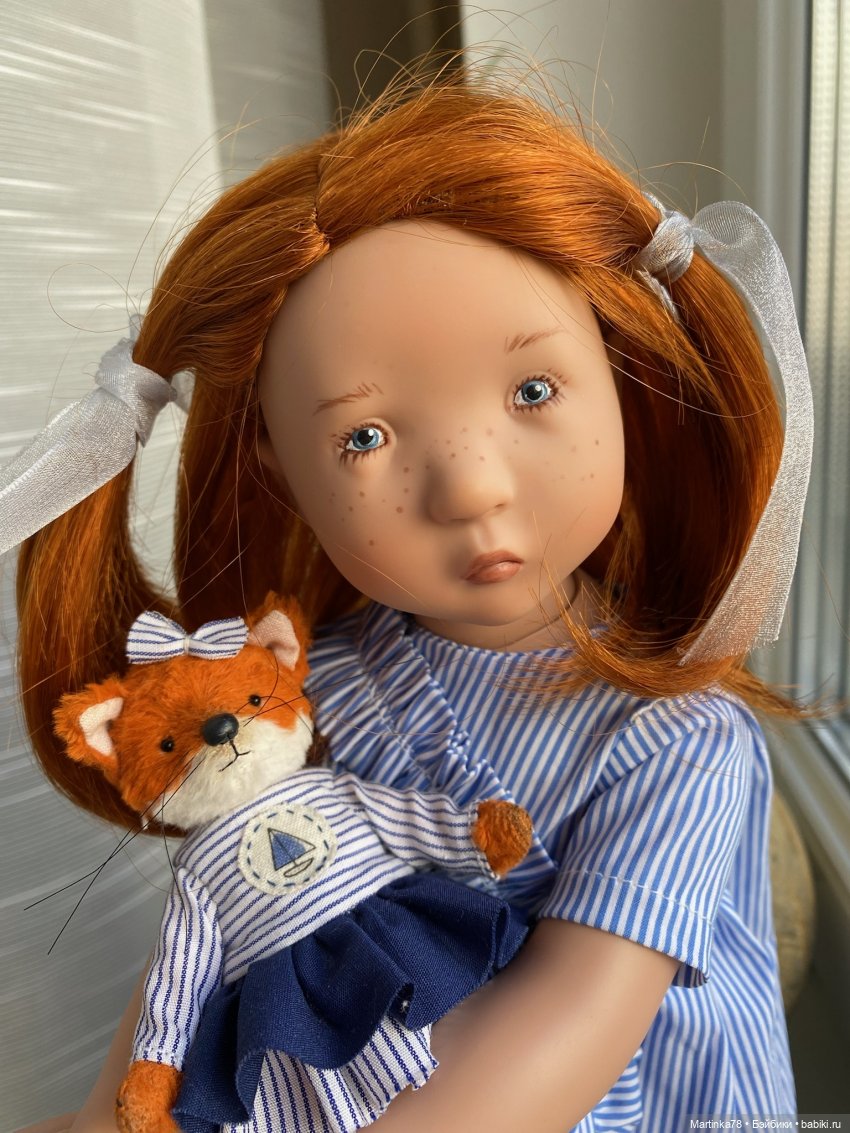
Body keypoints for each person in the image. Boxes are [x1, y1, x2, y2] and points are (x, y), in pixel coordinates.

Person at [5, 71, 812, 1132]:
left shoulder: (675, 740)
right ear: (279, 468)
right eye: (365, 436)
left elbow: (567, 1024)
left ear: (619, 375)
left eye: (532, 391)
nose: (469, 484)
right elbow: (221, 921)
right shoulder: (310, 689)